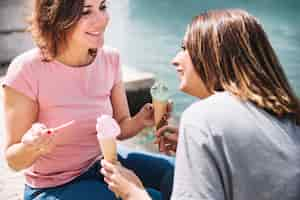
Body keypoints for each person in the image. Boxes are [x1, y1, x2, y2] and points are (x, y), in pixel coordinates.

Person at [101, 9, 300, 200]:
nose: (175, 60)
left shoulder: (202, 117)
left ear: (216, 57)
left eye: (185, 49)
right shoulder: (287, 114)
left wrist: (132, 193)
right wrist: (204, 151)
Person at [1, 0, 174, 199]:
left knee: (178, 175)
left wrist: (141, 121)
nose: (102, 19)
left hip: (103, 164)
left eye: (102, 7)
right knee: (152, 197)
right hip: (53, 186)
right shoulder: (26, 69)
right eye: (86, 11)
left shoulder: (110, 59)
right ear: (57, 17)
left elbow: (120, 127)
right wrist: (31, 147)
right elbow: (13, 160)